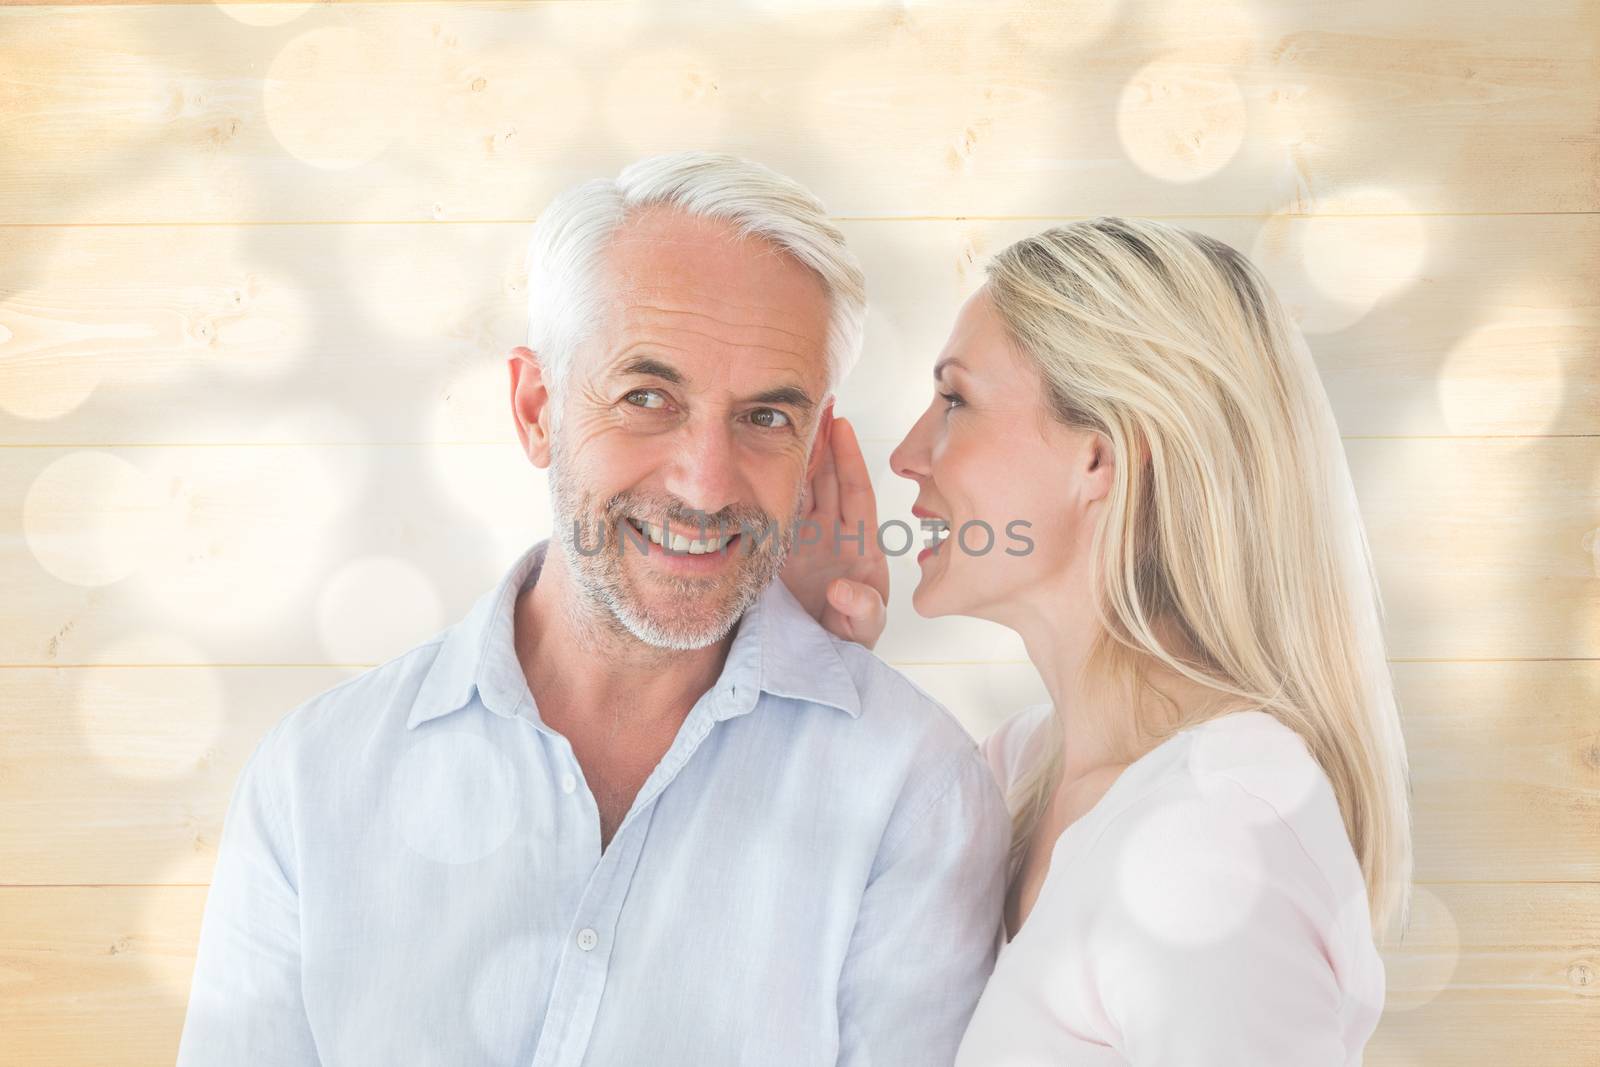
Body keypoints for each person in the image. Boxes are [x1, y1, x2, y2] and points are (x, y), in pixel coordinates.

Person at [175, 152, 1010, 1067]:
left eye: (765, 417)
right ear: (536, 409)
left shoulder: (914, 794)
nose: (705, 483)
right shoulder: (315, 781)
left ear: (814, 449)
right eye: (647, 398)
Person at [783, 217, 1413, 1064]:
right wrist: (821, 678)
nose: (904, 455)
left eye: (957, 400)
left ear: (1101, 459)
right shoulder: (1012, 774)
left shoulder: (1219, 831)